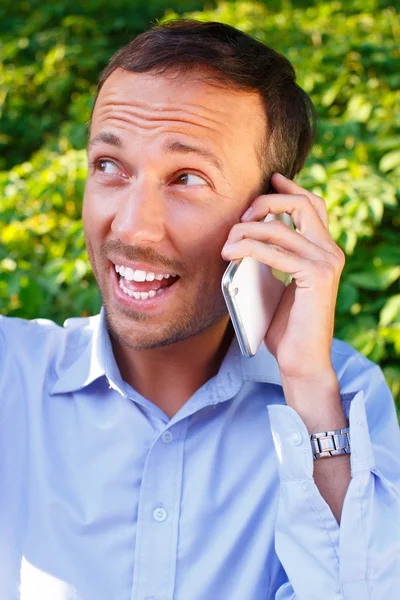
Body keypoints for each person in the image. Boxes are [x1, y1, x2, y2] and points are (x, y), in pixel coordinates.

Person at [1, 19, 399, 600]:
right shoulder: (11, 375)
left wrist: (311, 390)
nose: (133, 226)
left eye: (186, 177)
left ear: (270, 216)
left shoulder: (343, 399)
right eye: (109, 166)